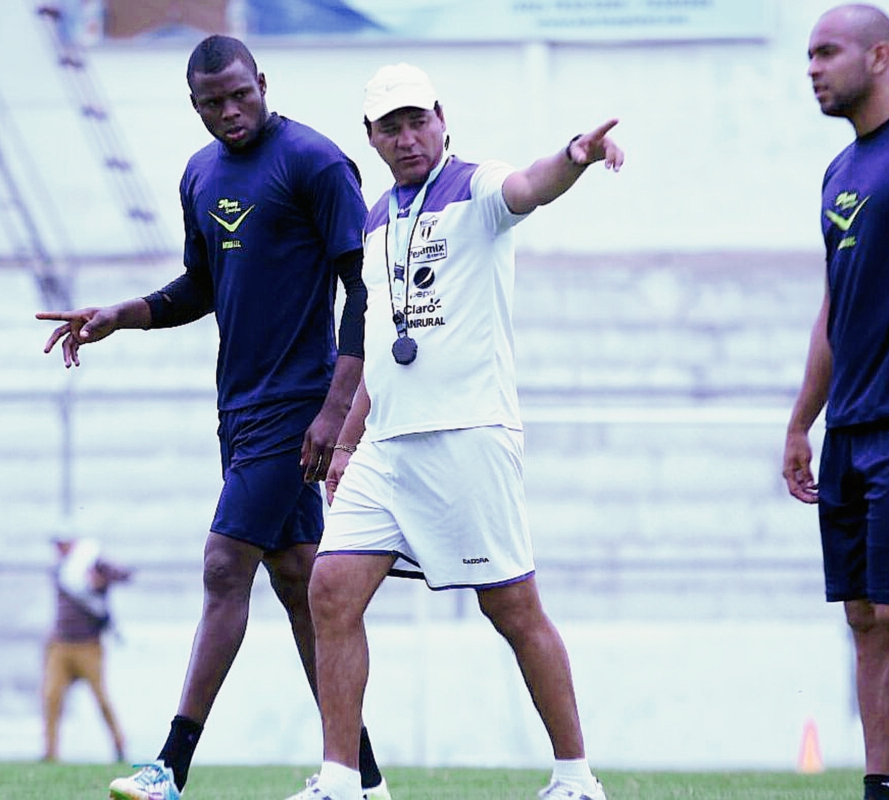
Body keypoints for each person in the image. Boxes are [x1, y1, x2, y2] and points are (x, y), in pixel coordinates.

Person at [36, 35, 391, 800]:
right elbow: (201, 285)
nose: (230, 112)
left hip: (296, 409)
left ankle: (171, 767)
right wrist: (120, 315)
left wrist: (337, 413)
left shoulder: (317, 163)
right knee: (300, 587)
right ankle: (362, 777)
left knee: (224, 567)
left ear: (262, 81)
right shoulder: (199, 174)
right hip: (238, 410)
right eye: (211, 103)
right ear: (194, 105)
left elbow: (363, 291)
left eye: (240, 95)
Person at [286, 63, 623, 800]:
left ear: (441, 118)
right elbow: (381, 343)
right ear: (370, 137)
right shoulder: (376, 218)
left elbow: (528, 187)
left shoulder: (476, 187)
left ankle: (576, 776)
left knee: (511, 608)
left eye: (416, 120)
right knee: (331, 590)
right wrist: (347, 441)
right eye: (390, 126)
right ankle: (343, 779)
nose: (406, 138)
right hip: (388, 445)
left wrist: (573, 157)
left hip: (468, 435)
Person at [783, 5, 889, 799]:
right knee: (864, 618)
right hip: (849, 431)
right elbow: (834, 304)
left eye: (828, 52)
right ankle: (880, 786)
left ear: (881, 55)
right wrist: (801, 420)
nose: (814, 68)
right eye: (808, 56)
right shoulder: (839, 173)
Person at [42, 528, 132, 763]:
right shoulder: (61, 570)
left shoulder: (93, 562)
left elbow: (123, 574)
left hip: (88, 645)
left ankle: (119, 744)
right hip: (61, 644)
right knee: (52, 696)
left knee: (101, 699)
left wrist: (100, 580)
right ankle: (50, 751)